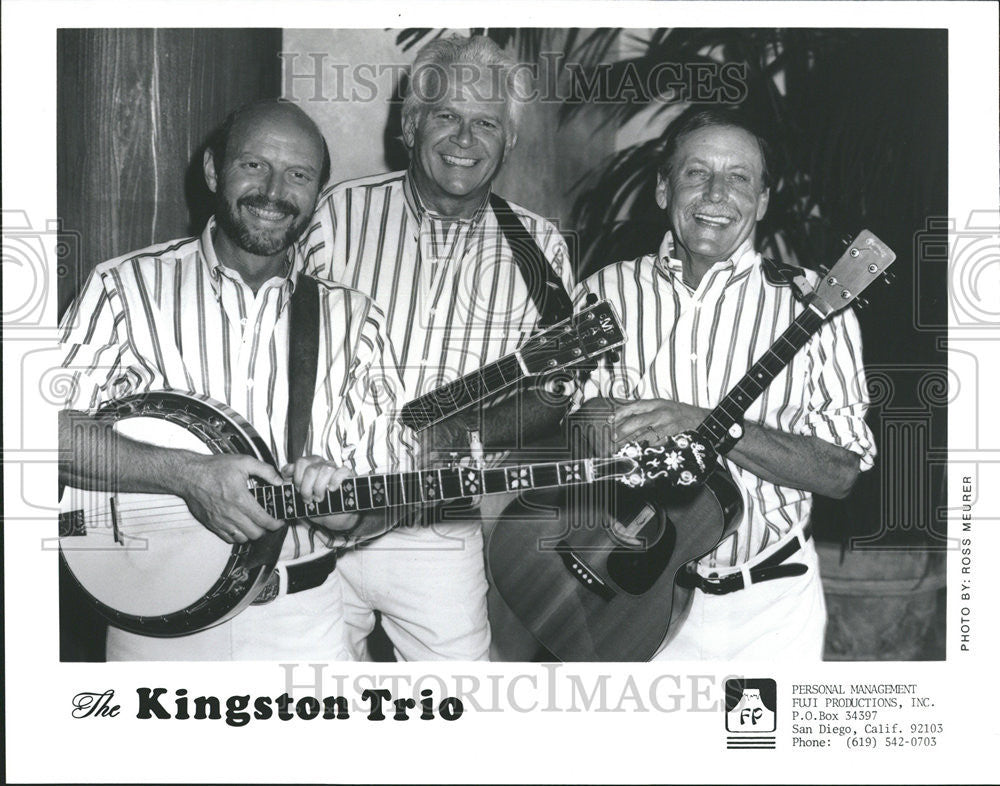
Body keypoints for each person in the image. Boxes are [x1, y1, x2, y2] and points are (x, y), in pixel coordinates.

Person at [58, 99, 411, 661]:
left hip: (305, 625)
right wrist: (186, 476)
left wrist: (351, 514)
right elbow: (34, 436)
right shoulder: (124, 289)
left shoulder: (355, 319)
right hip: (155, 624)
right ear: (212, 171)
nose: (275, 190)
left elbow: (389, 488)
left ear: (318, 192)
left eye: (299, 174)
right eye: (254, 165)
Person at [298, 35, 574, 661]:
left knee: (462, 720)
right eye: (447, 115)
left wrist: (465, 435)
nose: (464, 139)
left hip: (438, 528)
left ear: (509, 141)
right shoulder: (335, 215)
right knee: (305, 710)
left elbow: (560, 389)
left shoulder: (540, 248)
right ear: (413, 123)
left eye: (486, 123)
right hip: (314, 515)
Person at [574, 106, 876, 659]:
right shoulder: (603, 292)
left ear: (762, 200)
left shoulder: (814, 304)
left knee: (756, 748)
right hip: (632, 594)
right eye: (696, 173)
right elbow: (567, 420)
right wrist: (595, 422)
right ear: (664, 189)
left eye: (739, 177)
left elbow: (841, 473)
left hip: (771, 607)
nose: (716, 194)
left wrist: (710, 426)